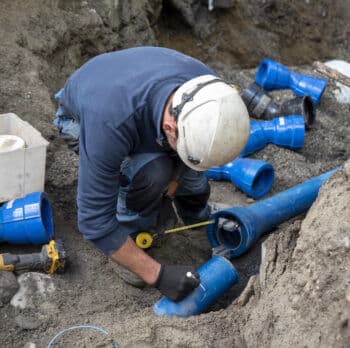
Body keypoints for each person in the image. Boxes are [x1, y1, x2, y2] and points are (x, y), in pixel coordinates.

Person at [54, 46, 250, 302]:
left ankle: (196, 218)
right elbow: (93, 222)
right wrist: (158, 275)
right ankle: (129, 232)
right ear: (170, 128)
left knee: (192, 181)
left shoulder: (210, 95)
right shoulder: (110, 124)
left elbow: (189, 156)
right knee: (150, 175)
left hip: (138, 104)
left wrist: (177, 178)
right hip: (81, 118)